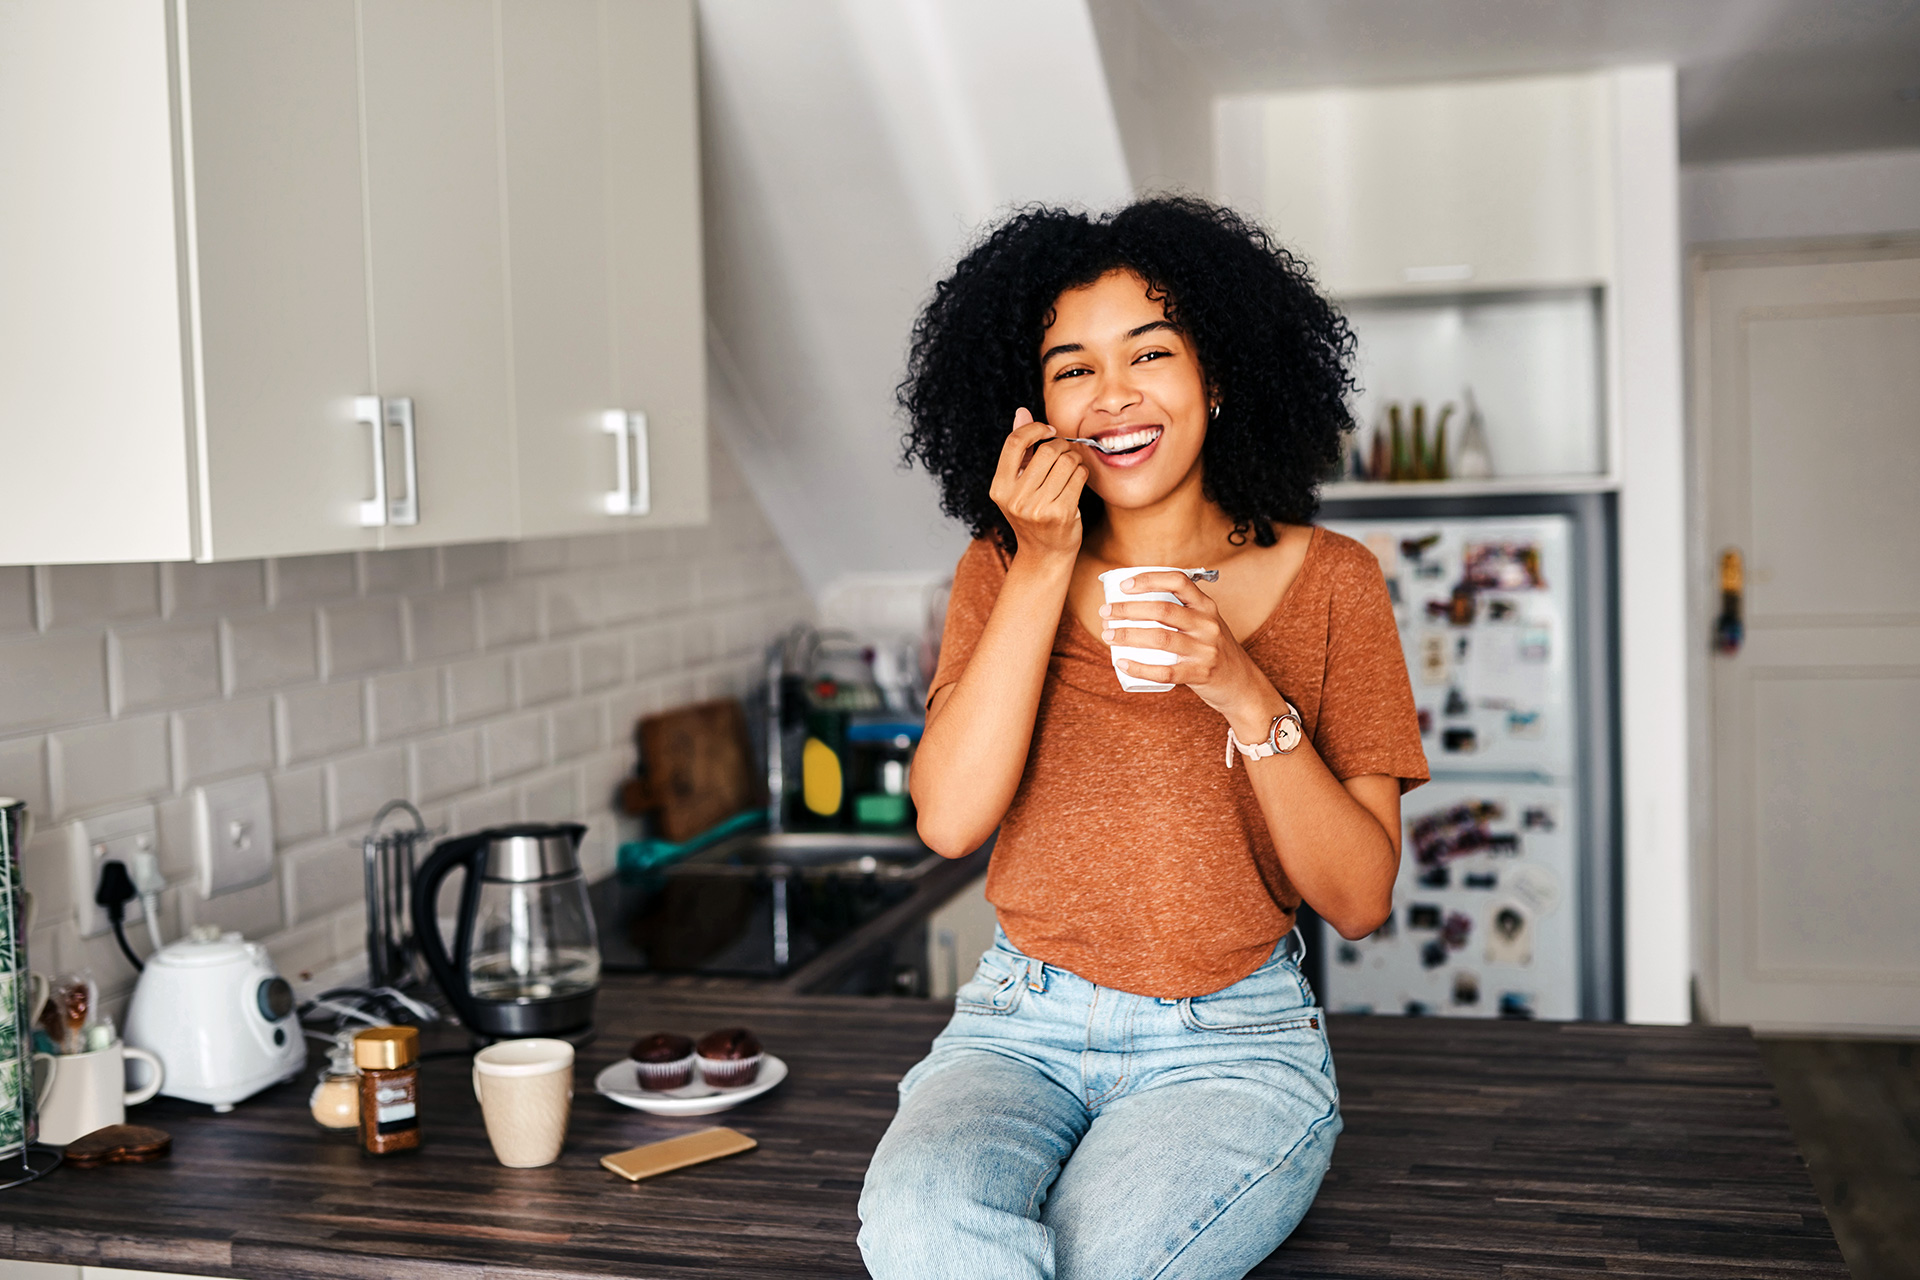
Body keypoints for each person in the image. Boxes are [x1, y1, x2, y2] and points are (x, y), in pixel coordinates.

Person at [856, 198, 1429, 1280]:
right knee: (928, 1231)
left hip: (1234, 1045)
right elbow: (948, 818)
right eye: (1071, 367)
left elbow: (1358, 896)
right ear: (1033, 406)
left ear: (1217, 376)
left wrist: (1240, 685)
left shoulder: (1337, 583)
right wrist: (1037, 559)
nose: (1111, 394)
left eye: (1150, 352)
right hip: (1016, 1026)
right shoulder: (998, 566)